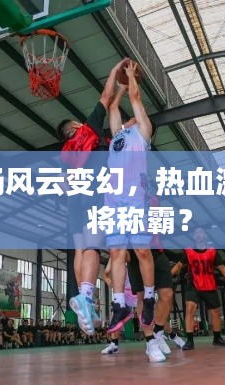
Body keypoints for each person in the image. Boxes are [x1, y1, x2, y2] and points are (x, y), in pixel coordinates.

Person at [65, 58, 130, 335]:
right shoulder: (87, 132)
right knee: (95, 247)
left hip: (74, 198)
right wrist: (115, 72)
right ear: (75, 127)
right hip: (94, 190)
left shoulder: (66, 153)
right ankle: (87, 297)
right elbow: (105, 97)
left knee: (80, 249)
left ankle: (85, 300)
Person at [105, 61, 158, 335]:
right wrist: (121, 88)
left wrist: (130, 78)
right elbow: (113, 106)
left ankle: (148, 298)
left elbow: (136, 98)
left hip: (135, 196)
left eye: (135, 116)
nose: (131, 116)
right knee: (116, 252)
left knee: (141, 251)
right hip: (113, 198)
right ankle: (119, 304)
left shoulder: (143, 132)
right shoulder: (118, 136)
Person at [171, 227, 225, 350]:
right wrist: (168, 277)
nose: (198, 234)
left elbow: (222, 267)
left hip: (209, 285)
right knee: (190, 309)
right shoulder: (188, 251)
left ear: (205, 235)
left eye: (201, 232)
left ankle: (217, 338)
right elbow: (179, 266)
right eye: (196, 233)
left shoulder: (212, 251)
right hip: (193, 285)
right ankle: (190, 341)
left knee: (215, 312)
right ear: (193, 236)